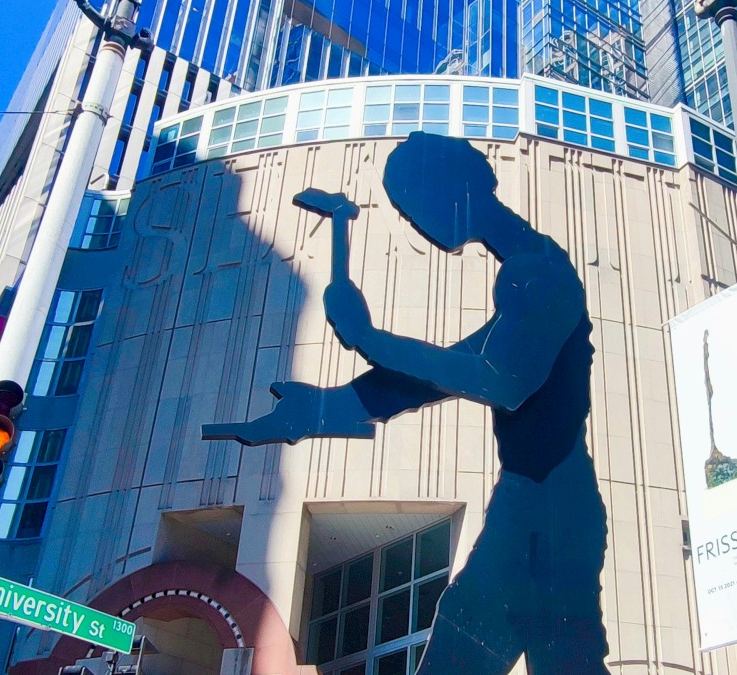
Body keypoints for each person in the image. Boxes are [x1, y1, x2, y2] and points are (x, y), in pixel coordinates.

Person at [203, 132, 608, 674]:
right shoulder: (526, 280)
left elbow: (501, 379)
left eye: (417, 207)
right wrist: (324, 407)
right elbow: (429, 379)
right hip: (528, 507)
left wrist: (369, 338)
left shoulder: (539, 272)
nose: (418, 223)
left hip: (551, 516)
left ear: (458, 190)